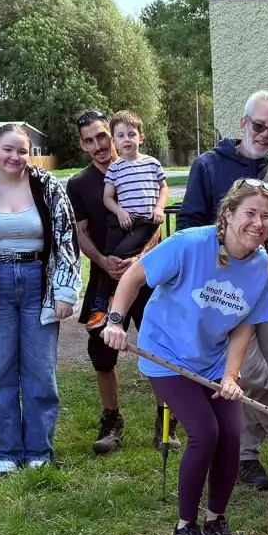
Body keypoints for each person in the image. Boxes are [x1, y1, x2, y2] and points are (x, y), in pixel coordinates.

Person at [100, 180, 268, 535]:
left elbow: (244, 327)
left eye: (266, 216)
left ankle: (216, 521)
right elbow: (134, 276)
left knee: (230, 436)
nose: (258, 223)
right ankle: (184, 530)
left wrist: (230, 376)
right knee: (205, 433)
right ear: (228, 214)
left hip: (212, 359)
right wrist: (115, 320)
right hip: (166, 353)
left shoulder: (262, 268)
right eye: (249, 213)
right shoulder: (190, 244)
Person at [178, 90, 268, 491]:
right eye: (259, 125)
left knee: (262, 372)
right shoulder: (209, 166)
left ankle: (247, 456)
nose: (265, 134)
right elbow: (188, 225)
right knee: (249, 371)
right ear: (243, 123)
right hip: (223, 291)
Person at [0, 123, 81, 473]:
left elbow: (67, 238)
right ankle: (5, 452)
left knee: (41, 372)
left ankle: (39, 450)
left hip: (39, 282)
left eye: (22, 150)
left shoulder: (47, 186)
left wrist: (64, 290)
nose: (15, 156)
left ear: (30, 153)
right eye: (7, 149)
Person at [66, 110, 168, 455]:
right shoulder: (79, 184)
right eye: (89, 141)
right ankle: (111, 422)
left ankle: (165, 422)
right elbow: (81, 233)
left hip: (146, 275)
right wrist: (102, 261)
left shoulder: (143, 168)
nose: (98, 146)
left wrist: (139, 259)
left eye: (102, 137)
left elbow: (155, 222)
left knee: (159, 346)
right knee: (101, 350)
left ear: (113, 135)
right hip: (104, 280)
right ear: (82, 145)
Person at [87, 110, 167, 327]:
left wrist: (159, 207)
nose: (127, 140)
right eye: (121, 136)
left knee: (118, 256)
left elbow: (163, 188)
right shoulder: (115, 169)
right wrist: (120, 212)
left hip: (146, 224)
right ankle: (101, 304)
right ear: (114, 141)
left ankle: (110, 301)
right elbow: (107, 198)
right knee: (110, 257)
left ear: (141, 137)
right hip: (125, 222)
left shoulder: (152, 163)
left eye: (131, 134)